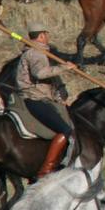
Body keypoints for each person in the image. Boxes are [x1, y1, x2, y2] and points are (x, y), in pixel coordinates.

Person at [12, 21, 78, 177]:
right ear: (41, 36)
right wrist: (64, 67)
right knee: (66, 130)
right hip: (34, 99)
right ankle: (46, 169)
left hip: (43, 97)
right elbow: (40, 74)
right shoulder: (36, 53)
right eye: (46, 34)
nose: (48, 37)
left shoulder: (40, 52)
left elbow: (49, 81)